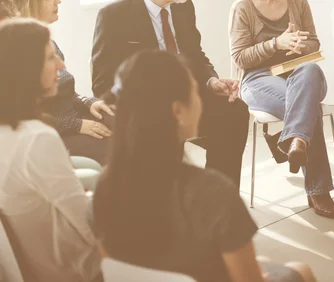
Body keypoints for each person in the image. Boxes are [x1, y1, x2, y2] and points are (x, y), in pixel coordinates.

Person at [91, 50, 316, 282]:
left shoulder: (105, 186)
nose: (200, 100)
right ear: (178, 111)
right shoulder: (214, 193)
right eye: (194, 92)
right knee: (301, 271)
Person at [92, 0, 249, 188]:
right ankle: (169, 198)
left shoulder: (183, 6)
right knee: (162, 126)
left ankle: (219, 194)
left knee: (234, 112)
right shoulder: (113, 15)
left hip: (185, 98)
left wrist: (211, 82)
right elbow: (102, 83)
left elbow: (195, 55)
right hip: (147, 107)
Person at [0, 18, 101, 282]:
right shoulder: (38, 139)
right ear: (25, 69)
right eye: (50, 58)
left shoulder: (10, 132)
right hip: (76, 269)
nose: (61, 65)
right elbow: (91, 230)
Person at [229, 0, 334, 218]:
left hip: (301, 75)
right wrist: (275, 44)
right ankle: (318, 188)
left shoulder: (298, 3)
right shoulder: (242, 7)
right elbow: (240, 57)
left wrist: (300, 45)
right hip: (258, 78)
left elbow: (314, 43)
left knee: (310, 70)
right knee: (309, 107)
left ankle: (293, 139)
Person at [14, 0, 115, 165]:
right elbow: (22, 114)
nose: (59, 1)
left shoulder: (49, 43)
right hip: (56, 133)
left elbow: (65, 90)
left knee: (127, 124)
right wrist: (75, 125)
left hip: (76, 117)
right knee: (116, 148)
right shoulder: (18, 51)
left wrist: (88, 102)